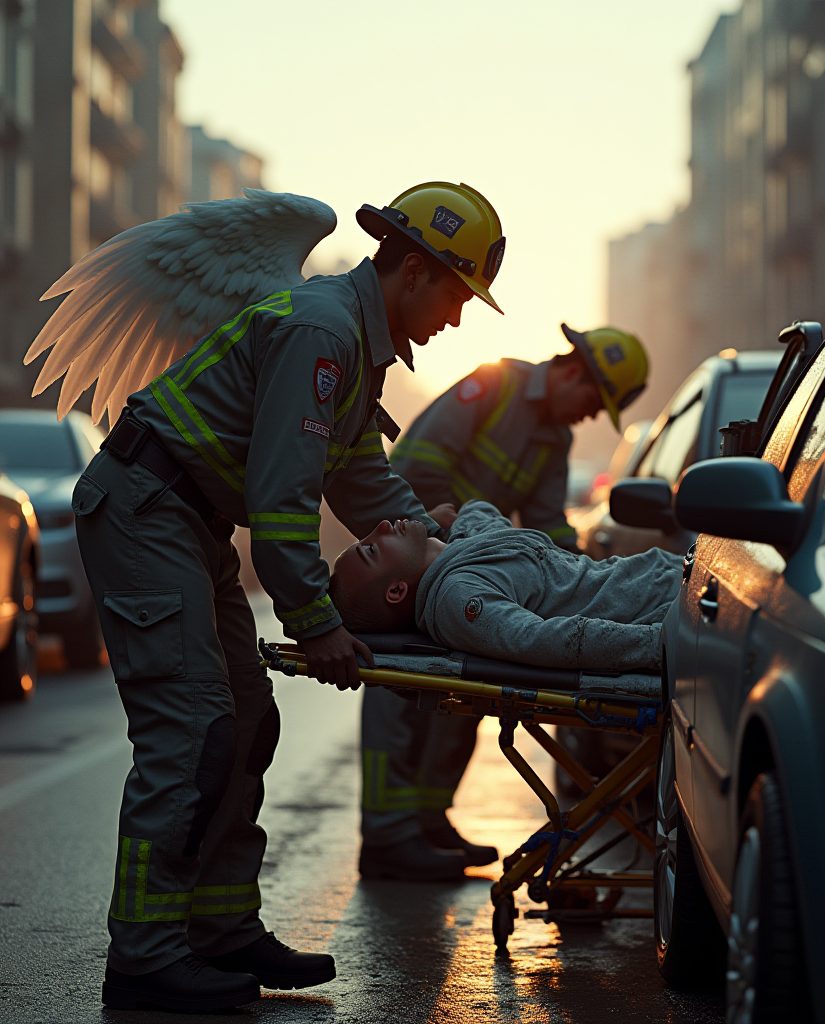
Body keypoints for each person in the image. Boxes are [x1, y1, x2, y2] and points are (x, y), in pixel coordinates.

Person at [48, 183, 505, 1013]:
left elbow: (361, 477)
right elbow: (283, 500)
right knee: (193, 735)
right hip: (148, 511)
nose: (458, 319)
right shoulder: (322, 332)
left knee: (248, 721)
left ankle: (223, 930)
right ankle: (146, 957)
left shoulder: (354, 346)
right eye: (456, 295)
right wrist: (319, 623)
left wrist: (434, 540)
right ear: (411, 271)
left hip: (182, 521)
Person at [358, 327, 649, 880]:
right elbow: (416, 465)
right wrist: (444, 538)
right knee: (397, 697)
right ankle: (387, 836)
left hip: (467, 573)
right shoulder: (493, 387)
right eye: (592, 401)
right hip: (418, 564)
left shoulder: (553, 439)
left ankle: (428, 817)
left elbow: (546, 525)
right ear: (574, 372)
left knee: (464, 696)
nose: (589, 416)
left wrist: (579, 574)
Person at [331, 502, 682, 676]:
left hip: (672, 575)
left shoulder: (462, 553)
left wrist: (441, 528)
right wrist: (661, 644)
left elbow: (480, 511)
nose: (379, 527)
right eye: (371, 550)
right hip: (671, 609)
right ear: (395, 592)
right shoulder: (458, 596)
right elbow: (540, 639)